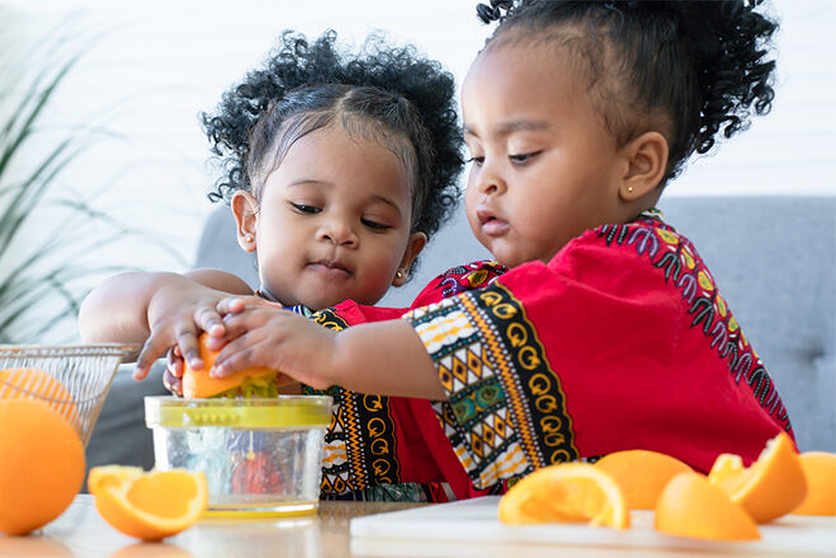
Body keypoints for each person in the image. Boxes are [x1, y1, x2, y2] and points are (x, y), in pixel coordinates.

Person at [205, 0, 794, 499]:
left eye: (521, 155)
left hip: (730, 536)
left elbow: (436, 348)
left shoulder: (635, 273)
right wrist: (284, 363)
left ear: (636, 166)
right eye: (477, 155)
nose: (486, 181)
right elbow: (398, 370)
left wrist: (328, 354)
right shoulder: (480, 292)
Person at [80, 30, 466, 502]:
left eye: (373, 221)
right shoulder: (229, 306)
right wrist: (165, 299)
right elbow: (99, 325)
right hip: (247, 537)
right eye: (307, 206)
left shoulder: (408, 344)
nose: (339, 231)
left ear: (408, 255)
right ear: (248, 221)